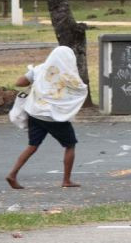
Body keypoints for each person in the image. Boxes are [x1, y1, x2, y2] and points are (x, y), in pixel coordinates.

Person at [5, 46, 88, 189]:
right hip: (54, 117)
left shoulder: (40, 69)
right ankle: (66, 180)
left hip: (35, 113)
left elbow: (19, 83)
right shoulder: (69, 75)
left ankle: (12, 174)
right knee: (70, 145)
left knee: (32, 145)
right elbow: (79, 90)